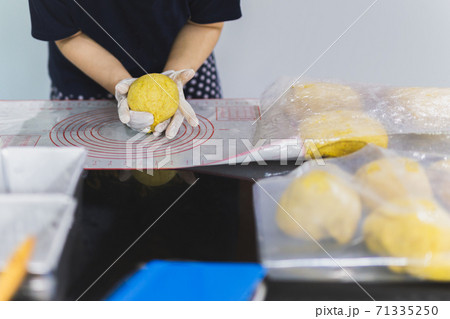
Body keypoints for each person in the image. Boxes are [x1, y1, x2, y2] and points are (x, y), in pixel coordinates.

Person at [28, 0, 242, 138]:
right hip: (85, 76)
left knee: (199, 186)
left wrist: (169, 84)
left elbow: (206, 23)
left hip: (184, 68)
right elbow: (68, 35)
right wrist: (120, 84)